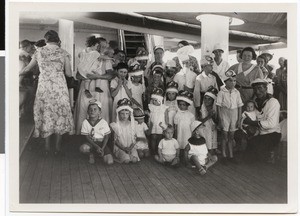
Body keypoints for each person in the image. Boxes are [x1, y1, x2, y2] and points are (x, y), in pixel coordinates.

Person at [20, 30, 74, 155]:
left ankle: (47, 148)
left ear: (46, 40)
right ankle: (57, 148)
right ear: (58, 40)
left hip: (44, 87)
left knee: (46, 114)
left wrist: (16, 73)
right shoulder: (63, 52)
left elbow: (28, 68)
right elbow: (69, 74)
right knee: (60, 114)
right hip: (59, 87)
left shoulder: (39, 51)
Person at [243, 78, 281, 164]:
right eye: (255, 89)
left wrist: (252, 122)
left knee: (257, 158)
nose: (257, 91)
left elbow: (271, 124)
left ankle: (270, 153)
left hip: (272, 134)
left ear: (266, 89)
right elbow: (251, 117)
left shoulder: (273, 102)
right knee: (247, 158)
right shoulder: (255, 103)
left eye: (260, 88)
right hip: (260, 133)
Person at [216, 70, 243, 163]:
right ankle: (224, 155)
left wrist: (239, 120)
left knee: (231, 136)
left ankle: (231, 155)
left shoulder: (237, 92)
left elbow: (239, 106)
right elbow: (218, 106)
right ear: (225, 82)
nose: (233, 83)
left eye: (235, 81)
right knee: (224, 136)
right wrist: (220, 119)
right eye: (231, 81)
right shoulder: (221, 92)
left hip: (234, 115)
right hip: (225, 114)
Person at [79, 100, 113, 165]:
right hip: (91, 143)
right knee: (83, 148)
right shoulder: (85, 122)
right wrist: (96, 147)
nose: (92, 111)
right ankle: (91, 154)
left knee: (110, 162)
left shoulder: (103, 122)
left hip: (102, 143)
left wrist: (102, 148)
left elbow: (106, 136)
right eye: (90, 109)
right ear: (88, 112)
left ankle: (99, 154)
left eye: (95, 109)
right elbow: (86, 137)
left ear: (99, 112)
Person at [110, 98, 140, 163]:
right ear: (119, 114)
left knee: (134, 160)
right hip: (120, 148)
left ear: (129, 114)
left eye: (127, 113)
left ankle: (130, 154)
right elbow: (116, 141)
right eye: (122, 113)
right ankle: (121, 156)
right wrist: (124, 148)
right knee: (127, 160)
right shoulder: (116, 125)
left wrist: (130, 148)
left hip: (130, 147)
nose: (124, 116)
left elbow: (135, 138)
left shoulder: (133, 124)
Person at [174, 90, 195, 158]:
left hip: (188, 133)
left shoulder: (191, 115)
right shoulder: (177, 114)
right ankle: (179, 157)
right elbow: (176, 125)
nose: (181, 106)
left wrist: (192, 136)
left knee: (186, 144)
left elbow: (193, 127)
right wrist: (175, 135)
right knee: (179, 144)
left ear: (187, 105)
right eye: (180, 104)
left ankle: (186, 158)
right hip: (179, 133)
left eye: (183, 105)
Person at [148, 88, 168, 155]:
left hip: (160, 124)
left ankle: (158, 150)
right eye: (153, 100)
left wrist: (166, 124)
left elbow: (166, 116)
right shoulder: (151, 107)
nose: (154, 102)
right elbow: (150, 116)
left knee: (159, 137)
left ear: (160, 100)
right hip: (153, 124)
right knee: (153, 137)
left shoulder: (164, 108)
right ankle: (153, 150)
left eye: (155, 100)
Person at [199, 87, 219, 155]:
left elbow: (217, 120)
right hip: (204, 127)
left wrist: (212, 116)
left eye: (209, 99)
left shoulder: (215, 108)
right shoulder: (202, 107)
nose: (206, 101)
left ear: (213, 100)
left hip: (213, 127)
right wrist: (208, 116)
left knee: (213, 134)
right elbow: (200, 121)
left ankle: (213, 149)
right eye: (205, 98)